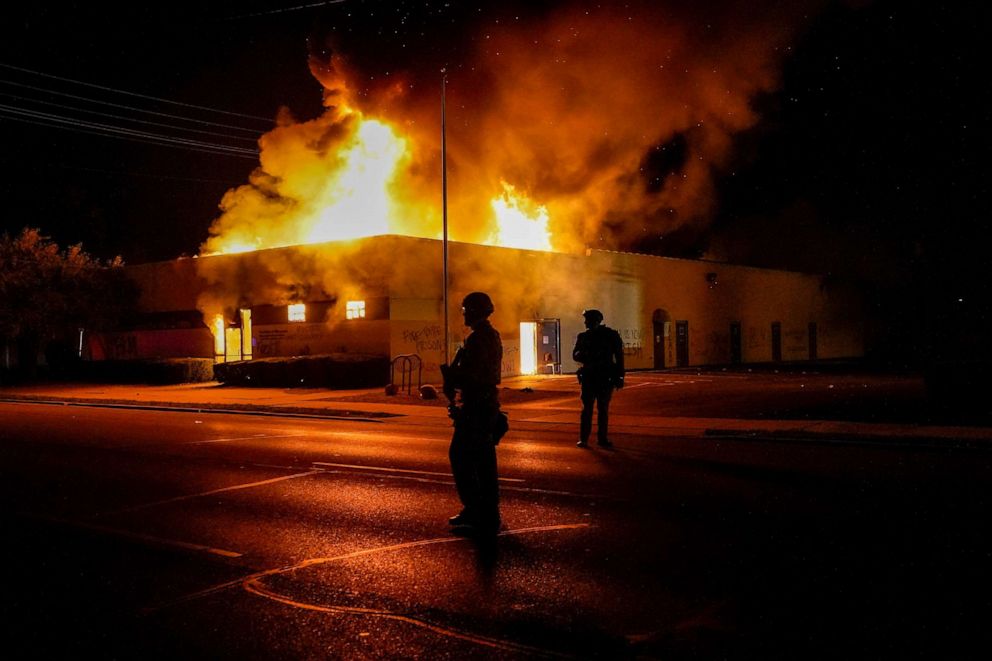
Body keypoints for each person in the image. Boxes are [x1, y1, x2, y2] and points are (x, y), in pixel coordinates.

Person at [441, 292, 504, 535]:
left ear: (476, 311)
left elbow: (476, 375)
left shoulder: (479, 339)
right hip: (481, 404)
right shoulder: (487, 336)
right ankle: (483, 510)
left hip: (477, 406)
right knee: (481, 459)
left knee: (464, 456)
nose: (464, 314)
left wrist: (454, 377)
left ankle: (479, 510)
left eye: (467, 310)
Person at [572, 308, 625, 448]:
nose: (585, 323)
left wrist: (620, 376)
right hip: (591, 376)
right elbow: (575, 354)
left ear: (595, 321)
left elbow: (619, 356)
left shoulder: (610, 335)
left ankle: (600, 439)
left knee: (601, 409)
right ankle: (585, 438)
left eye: (587, 320)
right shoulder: (584, 336)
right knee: (588, 409)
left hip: (603, 376)